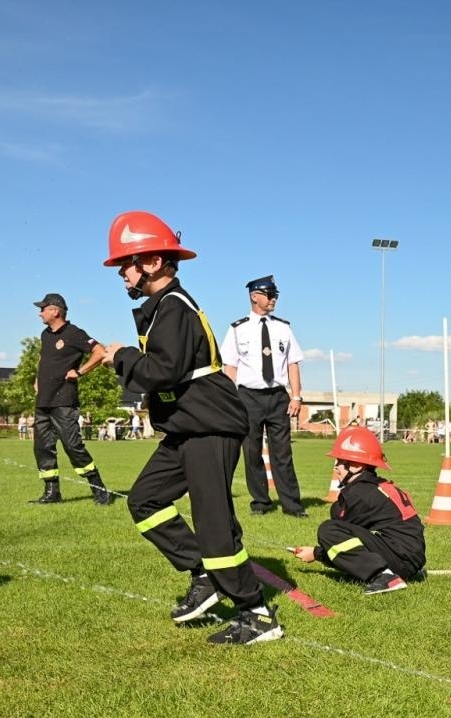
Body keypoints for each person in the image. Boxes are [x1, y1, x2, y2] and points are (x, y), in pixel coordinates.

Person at [100, 211, 281, 645]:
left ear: (153, 262)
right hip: (187, 427)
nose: (121, 272)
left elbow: (162, 370)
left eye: (126, 263)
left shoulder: (173, 307)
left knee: (214, 522)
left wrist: (120, 356)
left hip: (210, 425)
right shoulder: (162, 307)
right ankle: (203, 573)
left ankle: (257, 614)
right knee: (145, 500)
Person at [290, 426, 425, 594]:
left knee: (328, 530)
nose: (336, 467)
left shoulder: (358, 494)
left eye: (340, 461)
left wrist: (317, 554)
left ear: (356, 465)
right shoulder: (375, 487)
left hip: (400, 559)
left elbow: (338, 539)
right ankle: (388, 572)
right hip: (409, 556)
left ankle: (384, 577)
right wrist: (315, 553)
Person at [218, 275, 308, 518]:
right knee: (252, 452)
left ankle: (292, 505)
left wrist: (296, 396)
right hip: (248, 397)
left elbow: (293, 363)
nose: (273, 299)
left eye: (275, 295)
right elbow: (230, 367)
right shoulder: (237, 329)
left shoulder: (283, 328)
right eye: (269, 295)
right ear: (254, 296)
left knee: (283, 453)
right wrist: (230, 399)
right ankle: (260, 502)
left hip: (278, 397)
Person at [30, 293, 114, 506]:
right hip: (43, 400)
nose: (40, 313)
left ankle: (99, 490)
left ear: (55, 311)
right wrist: (37, 380)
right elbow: (42, 358)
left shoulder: (74, 333)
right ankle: (52, 492)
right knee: (42, 447)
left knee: (72, 446)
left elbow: (99, 352)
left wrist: (80, 371)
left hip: (64, 401)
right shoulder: (45, 335)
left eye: (43, 309)